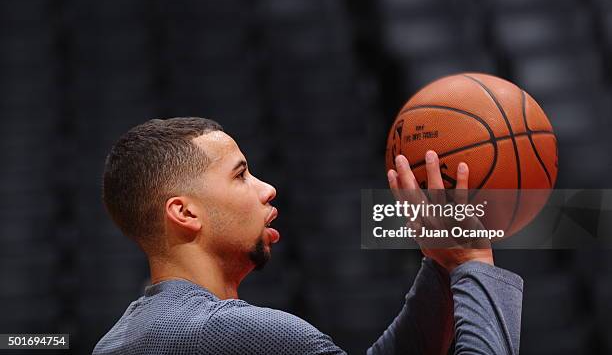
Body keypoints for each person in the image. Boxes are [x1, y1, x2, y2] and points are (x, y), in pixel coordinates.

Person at [93, 117, 523, 355]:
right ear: (184, 212)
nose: (267, 189)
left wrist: (441, 265)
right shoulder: (238, 333)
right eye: (241, 175)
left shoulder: (117, 341)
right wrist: (472, 264)